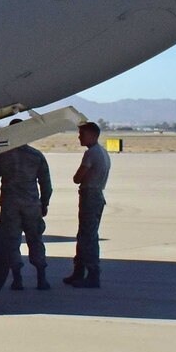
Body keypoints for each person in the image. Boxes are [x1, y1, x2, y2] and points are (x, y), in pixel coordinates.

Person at [0, 142, 53, 291]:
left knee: (11, 242)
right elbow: (45, 182)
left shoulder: (0, 156)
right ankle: (41, 278)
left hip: (10, 206)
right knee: (35, 240)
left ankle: (17, 279)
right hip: (32, 205)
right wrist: (44, 202)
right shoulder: (36, 155)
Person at [67, 122, 111, 287]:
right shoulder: (103, 152)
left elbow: (77, 178)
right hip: (96, 194)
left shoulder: (91, 154)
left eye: (82, 134)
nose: (79, 137)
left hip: (90, 196)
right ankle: (79, 272)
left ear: (92, 135)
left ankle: (92, 275)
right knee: (85, 235)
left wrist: (80, 178)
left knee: (88, 237)